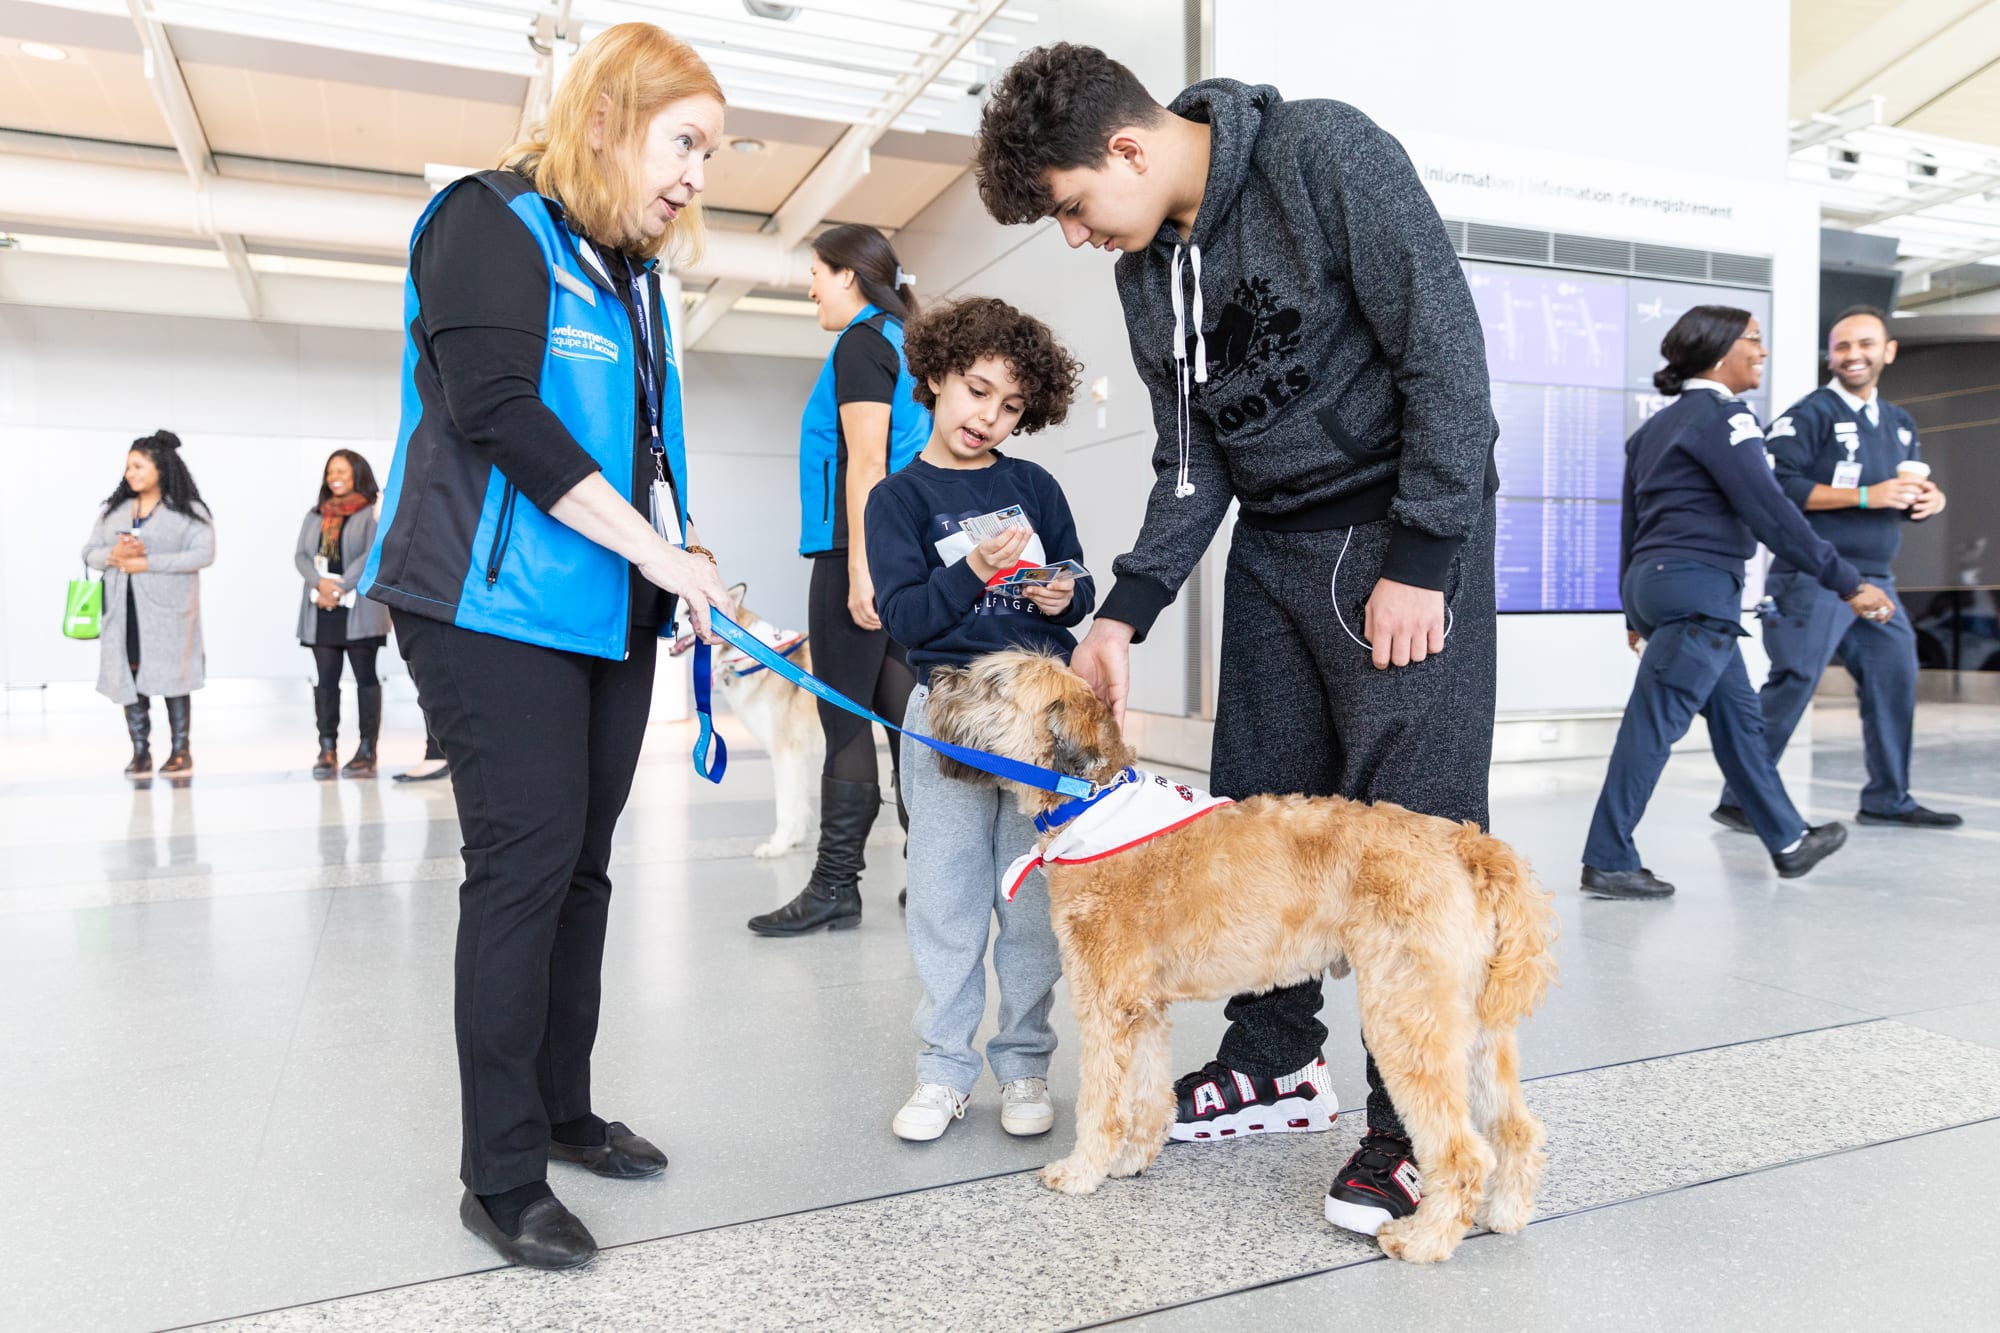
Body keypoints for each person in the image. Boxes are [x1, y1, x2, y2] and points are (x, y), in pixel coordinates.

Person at [974, 45, 1499, 1237]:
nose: (1073, 236)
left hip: (1391, 531)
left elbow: (1446, 361)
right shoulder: (1142, 269)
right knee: (1256, 811)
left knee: (1402, 843)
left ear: (1128, 149)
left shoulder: (1324, 156)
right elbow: (1187, 458)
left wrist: (1420, 556)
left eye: (1068, 207)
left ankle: (1403, 1135)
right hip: (1270, 548)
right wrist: (1125, 608)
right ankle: (1273, 1058)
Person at [356, 22, 732, 1271]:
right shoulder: (488, 222)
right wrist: (654, 554)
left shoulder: (632, 275)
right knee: (521, 868)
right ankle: (500, 1172)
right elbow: (499, 415)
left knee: (582, 867)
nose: (695, 175)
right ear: (610, 117)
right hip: (483, 600)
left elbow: (646, 447)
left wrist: (687, 559)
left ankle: (564, 1113)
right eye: (684, 142)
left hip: (604, 608)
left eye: (710, 155)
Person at [864, 296, 1089, 1143]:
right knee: (947, 898)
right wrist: (973, 571)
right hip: (949, 713)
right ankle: (943, 1071)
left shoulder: (1034, 485)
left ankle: (1026, 1065)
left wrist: (1070, 590)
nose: (988, 417)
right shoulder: (898, 498)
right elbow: (909, 619)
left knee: (1031, 905)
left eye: (1010, 407)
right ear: (934, 376)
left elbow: (1077, 585)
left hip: (1039, 712)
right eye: (976, 390)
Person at [1581, 306, 1897, 901]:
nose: (1763, 352)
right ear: (1723, 350)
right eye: (1755, 340)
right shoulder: (1727, 419)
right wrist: (1848, 581)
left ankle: (1787, 841)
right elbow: (1773, 512)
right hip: (1700, 590)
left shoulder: (1653, 429)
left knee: (1740, 723)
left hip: (1659, 586)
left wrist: (1633, 612)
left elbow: (1632, 523)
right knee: (1651, 726)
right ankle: (1608, 857)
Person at [748, 224, 933, 936]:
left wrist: (862, 571)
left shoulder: (862, 341)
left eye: (818, 273)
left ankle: (835, 885)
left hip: (857, 551)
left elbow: (865, 462)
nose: (811, 286)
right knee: (907, 715)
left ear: (849, 276)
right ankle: (936, 873)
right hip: (907, 551)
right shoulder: (906, 340)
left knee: (845, 714)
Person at [1712, 306, 1959, 832]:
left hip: (1878, 577)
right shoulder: (1809, 416)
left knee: (1895, 678)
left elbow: (1895, 497)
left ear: (1888, 352)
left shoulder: (1899, 424)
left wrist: (1926, 501)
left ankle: (1888, 798)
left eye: (1865, 344)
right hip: (1813, 575)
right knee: (1795, 679)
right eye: (1843, 346)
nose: (1854, 355)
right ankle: (1740, 798)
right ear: (1830, 354)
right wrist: (1867, 494)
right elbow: (1777, 488)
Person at [82, 430, 214, 778]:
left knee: (174, 676)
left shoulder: (188, 511)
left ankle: (181, 750)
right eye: (128, 467)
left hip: (168, 613)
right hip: (123, 609)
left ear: (160, 468)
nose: (131, 474)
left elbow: (204, 554)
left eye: (139, 466)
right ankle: (140, 751)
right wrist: (113, 554)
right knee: (130, 673)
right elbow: (89, 552)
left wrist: (148, 562)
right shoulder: (115, 510)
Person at [297, 449, 389, 778]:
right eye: (330, 470)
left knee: (365, 676)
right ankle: (327, 748)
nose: (334, 476)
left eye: (342, 471)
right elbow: (302, 556)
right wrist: (321, 585)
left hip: (359, 607)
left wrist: (340, 587)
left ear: (357, 474)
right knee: (325, 680)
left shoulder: (370, 513)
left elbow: (371, 554)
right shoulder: (315, 514)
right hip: (320, 607)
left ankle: (367, 750)